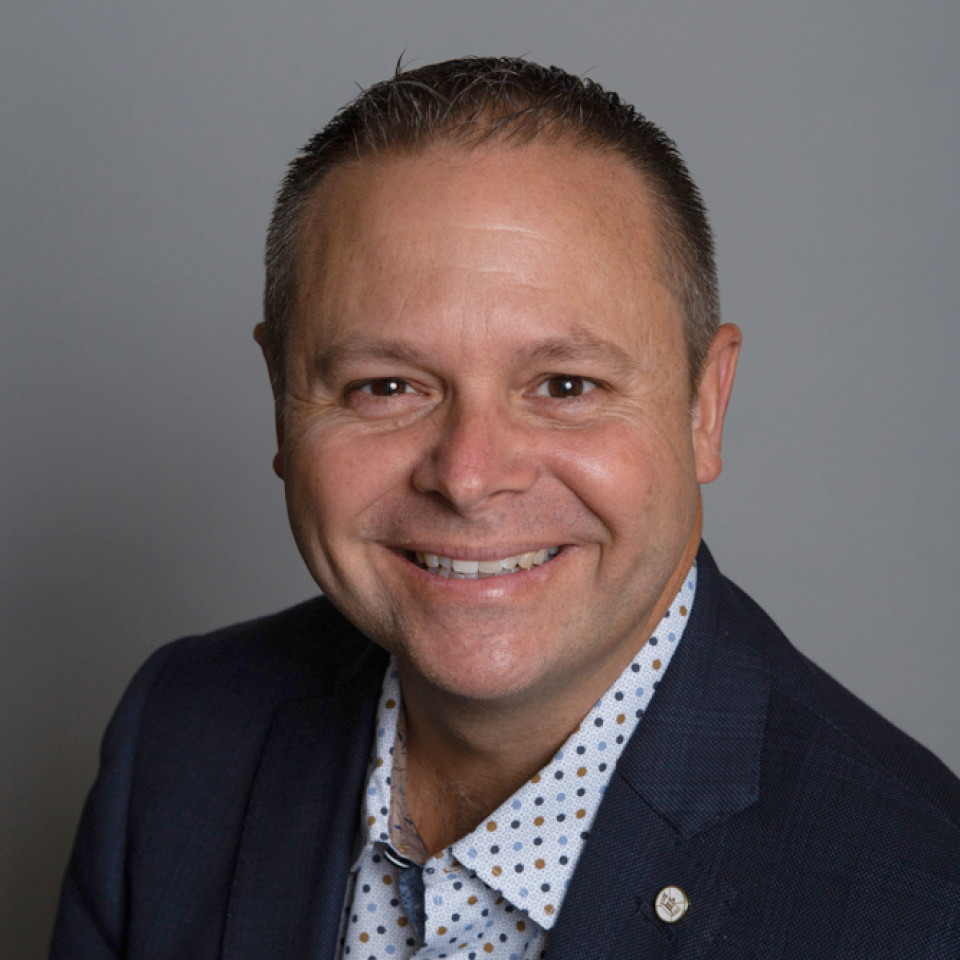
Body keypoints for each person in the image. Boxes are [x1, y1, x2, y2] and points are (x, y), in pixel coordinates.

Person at [50, 57, 960, 960]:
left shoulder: (921, 901)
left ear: (703, 408)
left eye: (564, 384)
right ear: (282, 396)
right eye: (386, 386)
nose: (470, 475)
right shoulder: (180, 738)